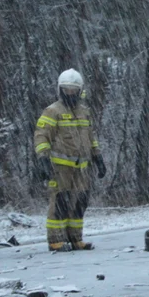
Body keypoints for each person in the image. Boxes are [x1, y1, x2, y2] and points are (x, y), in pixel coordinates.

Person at [33, 68, 106, 252]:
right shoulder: (52, 111)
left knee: (80, 202)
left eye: (73, 90)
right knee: (60, 202)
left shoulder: (84, 112)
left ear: (80, 90)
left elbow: (90, 137)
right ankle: (56, 240)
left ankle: (76, 238)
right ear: (60, 90)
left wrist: (98, 157)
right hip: (60, 168)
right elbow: (41, 136)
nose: (70, 93)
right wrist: (43, 158)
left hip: (82, 168)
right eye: (67, 90)